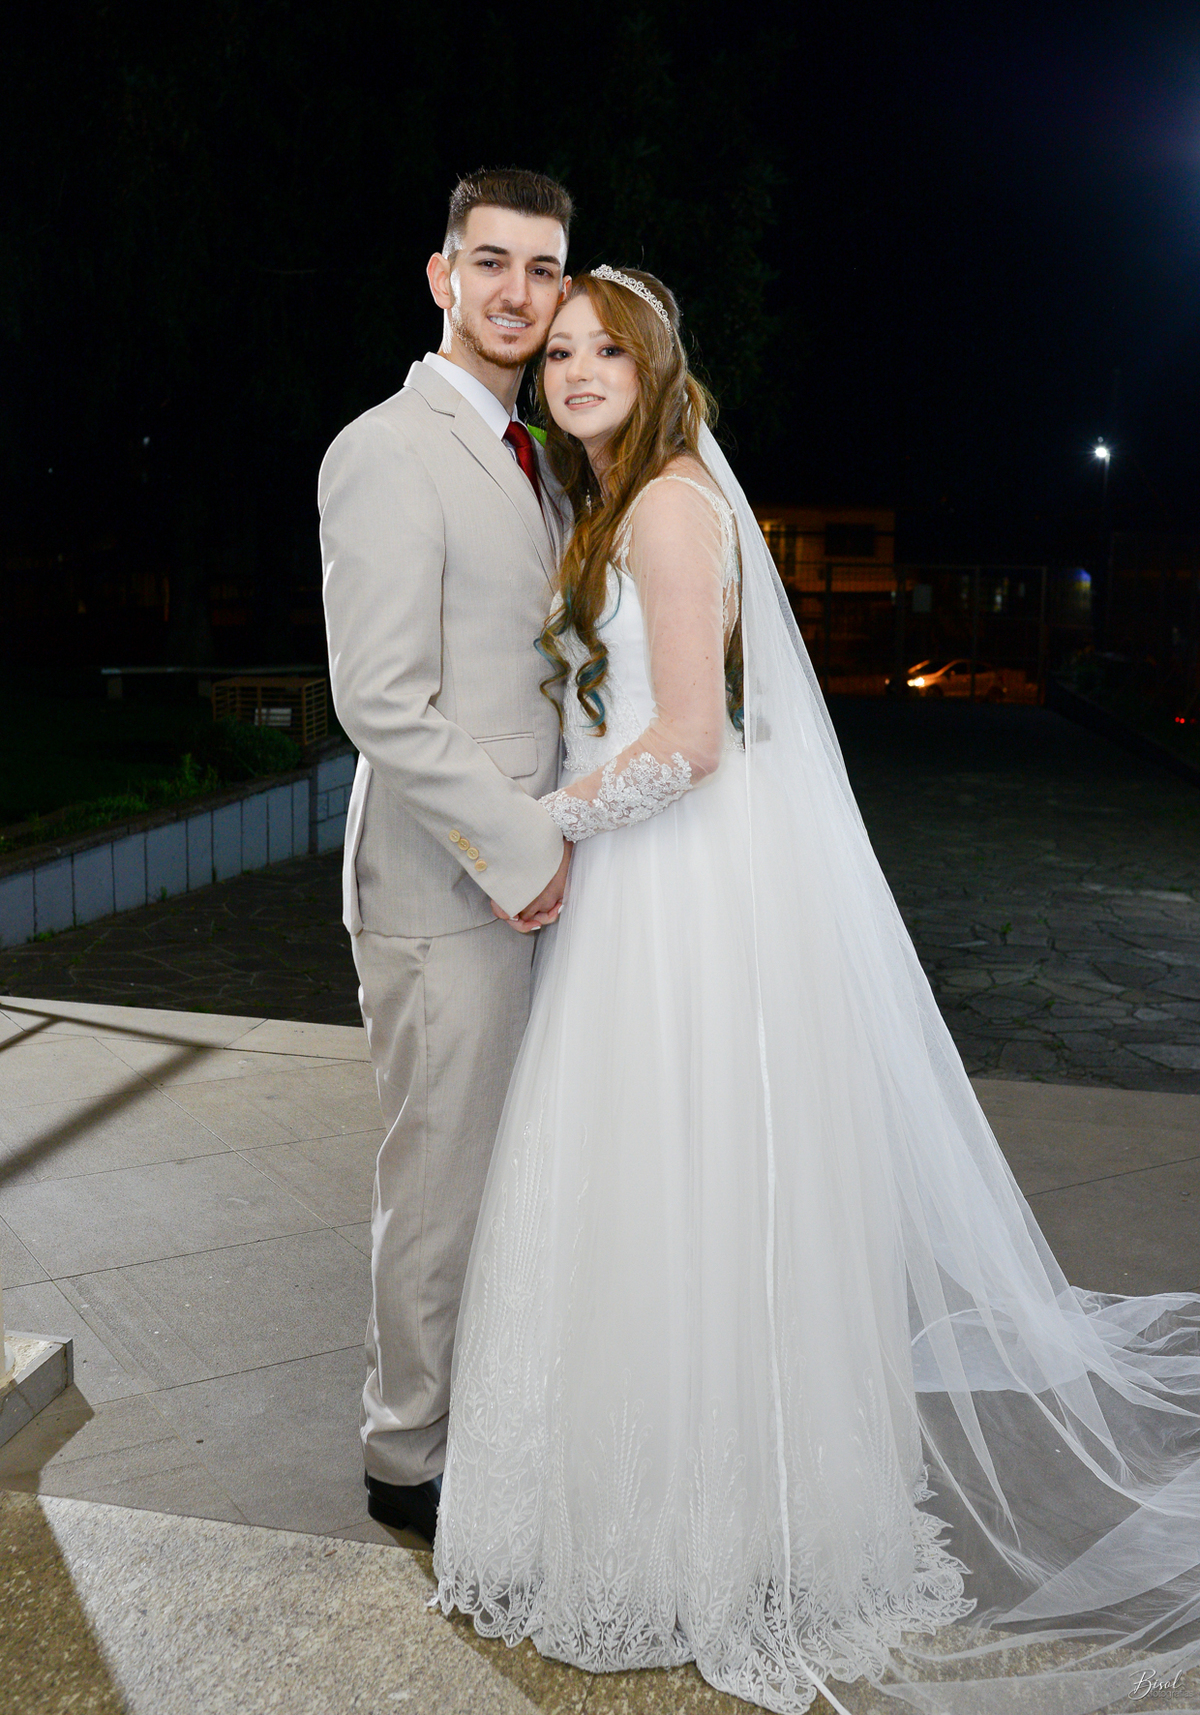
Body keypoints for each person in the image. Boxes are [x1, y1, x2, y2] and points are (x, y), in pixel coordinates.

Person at [433, 267, 1200, 1713]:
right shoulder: (613, 499)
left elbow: (690, 738)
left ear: (658, 371)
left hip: (672, 883)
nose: (579, 369)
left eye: (611, 351)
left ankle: (709, 1537)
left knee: (673, 1179)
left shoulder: (667, 505)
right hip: (644, 877)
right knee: (647, 1181)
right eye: (564, 351)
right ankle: (641, 1514)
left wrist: (545, 830)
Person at [318, 168, 574, 1544]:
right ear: (442, 276)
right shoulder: (385, 448)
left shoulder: (540, 458)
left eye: (543, 268)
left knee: (512, 1170)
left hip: (542, 873)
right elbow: (382, 701)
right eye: (492, 262)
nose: (516, 293)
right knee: (440, 1174)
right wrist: (528, 849)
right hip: (444, 882)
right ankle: (406, 1453)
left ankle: (492, 1412)